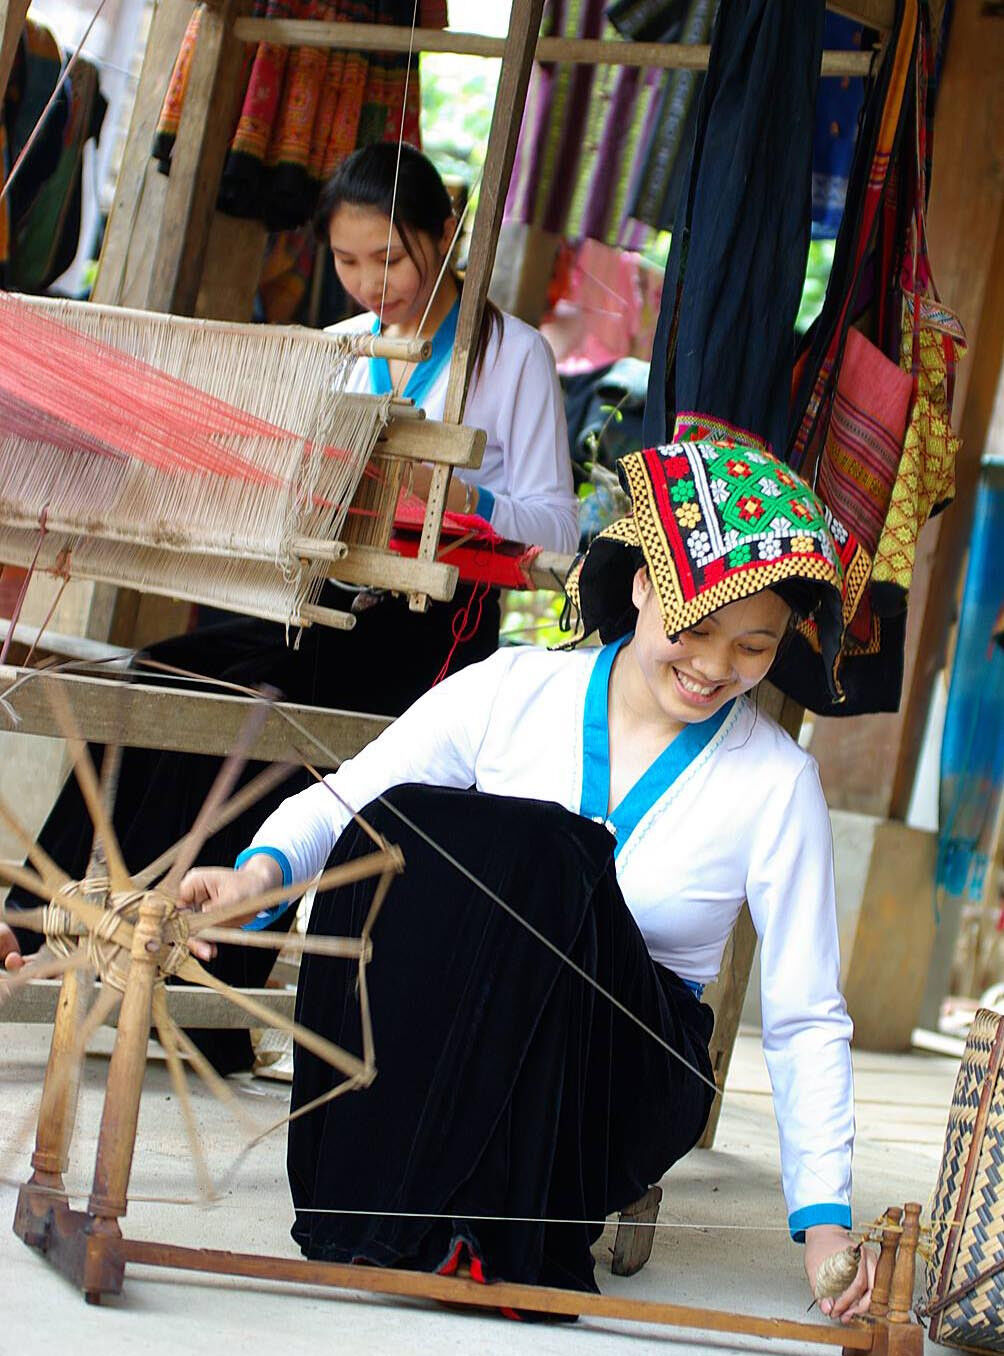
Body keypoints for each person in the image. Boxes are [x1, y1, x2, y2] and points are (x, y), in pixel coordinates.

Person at [171, 425, 878, 1321]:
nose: (714, 668)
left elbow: (807, 1011)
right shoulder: (512, 686)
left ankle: (488, 1229)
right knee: (410, 824)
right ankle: (403, 1209)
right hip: (473, 1027)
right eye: (696, 629)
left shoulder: (777, 781)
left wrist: (824, 1223)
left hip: (621, 1065)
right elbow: (352, 798)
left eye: (755, 647)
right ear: (641, 586)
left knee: (552, 851)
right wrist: (260, 873)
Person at [3, 144, 578, 1072]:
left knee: (258, 706)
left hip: (434, 632)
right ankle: (38, 921)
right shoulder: (341, 349)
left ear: (444, 234)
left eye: (389, 258)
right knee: (158, 674)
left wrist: (446, 497)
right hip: (327, 605)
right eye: (348, 261)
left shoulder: (510, 357)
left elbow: (556, 521)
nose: (370, 282)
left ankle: (206, 991)